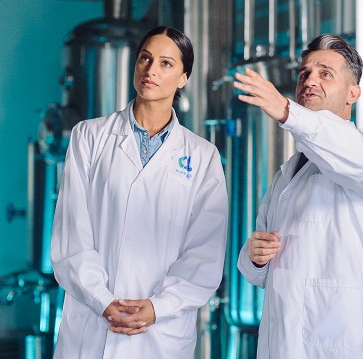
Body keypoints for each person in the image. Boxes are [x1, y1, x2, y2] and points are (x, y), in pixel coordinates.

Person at [50, 26, 229, 358]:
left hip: (161, 333)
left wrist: (158, 307)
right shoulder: (89, 136)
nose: (151, 70)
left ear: (183, 78)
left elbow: (205, 252)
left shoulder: (203, 157)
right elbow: (72, 232)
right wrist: (102, 300)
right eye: (145, 59)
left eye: (165, 63)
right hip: (93, 325)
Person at [235, 34, 363, 358]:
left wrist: (286, 111)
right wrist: (254, 254)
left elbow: (334, 143)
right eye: (305, 73)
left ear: (353, 93)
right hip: (281, 345)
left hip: (335, 347)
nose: (310, 80)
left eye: (325, 73)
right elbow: (257, 274)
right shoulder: (286, 174)